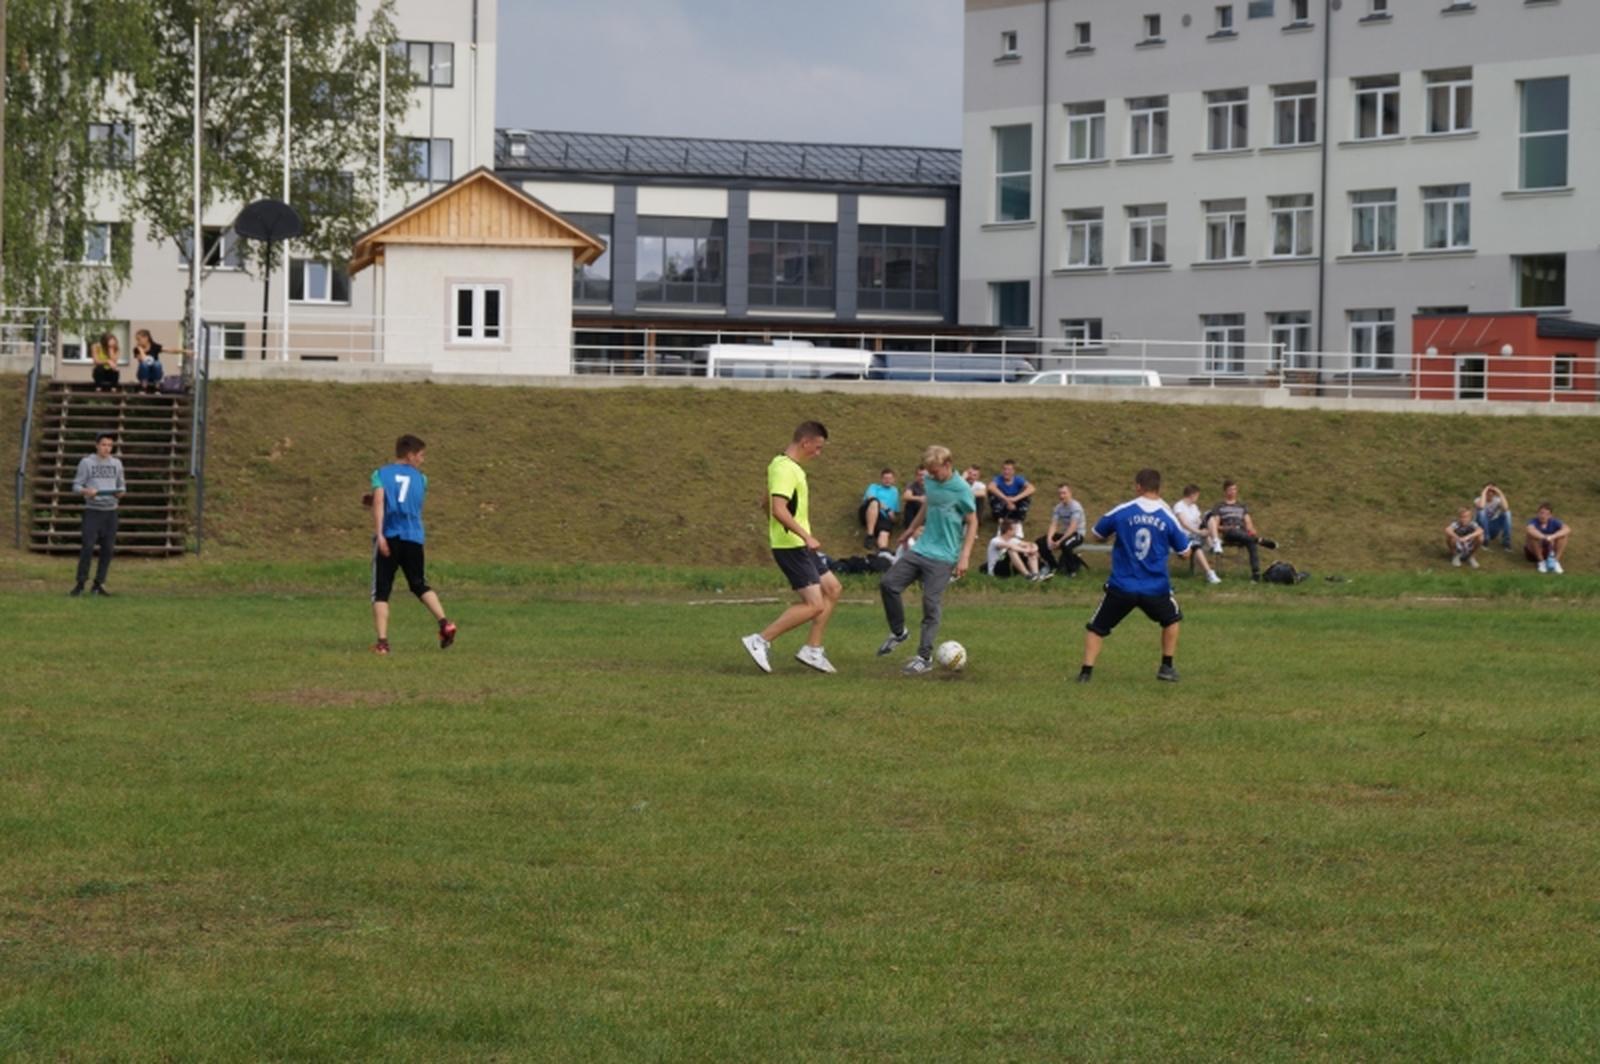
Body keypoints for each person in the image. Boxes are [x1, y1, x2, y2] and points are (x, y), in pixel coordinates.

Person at [742, 421, 842, 674]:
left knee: (832, 588)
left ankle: (812, 649)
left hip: (798, 544)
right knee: (814, 604)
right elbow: (778, 508)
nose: (818, 453)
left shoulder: (783, 466)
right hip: (792, 546)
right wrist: (805, 536)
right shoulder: (786, 469)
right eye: (817, 448)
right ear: (805, 442)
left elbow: (765, 502)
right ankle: (760, 640)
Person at [1077, 468, 1194, 684]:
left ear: (1138, 486)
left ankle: (1086, 673)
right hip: (1155, 587)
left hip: (1123, 585)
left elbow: (1096, 534)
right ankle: (1166, 667)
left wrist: (1112, 536)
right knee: (1172, 619)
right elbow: (1185, 553)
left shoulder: (1123, 510)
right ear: (1159, 488)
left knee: (1097, 627)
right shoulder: (1167, 515)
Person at [876, 445, 978, 675]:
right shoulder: (931, 482)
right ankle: (899, 632)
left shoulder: (962, 489)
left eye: (935, 471)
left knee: (930, 603)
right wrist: (910, 530)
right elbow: (927, 505)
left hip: (944, 556)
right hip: (922, 548)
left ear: (947, 465)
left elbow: (973, 522)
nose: (931, 476)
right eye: (929, 472)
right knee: (889, 584)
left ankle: (924, 657)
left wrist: (964, 556)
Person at [370, 434, 457, 654]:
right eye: (421, 455)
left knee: (381, 591)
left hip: (390, 536)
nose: (422, 460)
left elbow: (381, 501)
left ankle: (382, 643)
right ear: (410, 455)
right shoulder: (422, 479)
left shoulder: (381, 474)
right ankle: (445, 623)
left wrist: (380, 535)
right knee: (419, 584)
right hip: (414, 538)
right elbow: (406, 499)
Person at [70, 432, 125, 596]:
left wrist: (120, 493)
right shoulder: (86, 462)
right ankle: (80, 584)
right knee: (87, 546)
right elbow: (76, 486)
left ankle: (98, 584)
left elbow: (122, 486)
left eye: (110, 445)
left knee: (107, 549)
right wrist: (87, 491)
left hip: (111, 512)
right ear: (96, 445)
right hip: (93, 511)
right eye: (103, 445)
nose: (107, 448)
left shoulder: (117, 463)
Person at [1205, 478, 1277, 582]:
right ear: (1225, 491)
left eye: (1235, 489)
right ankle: (1259, 540)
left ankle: (1256, 574)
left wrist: (1252, 530)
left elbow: (1248, 522)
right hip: (1229, 532)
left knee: (1251, 542)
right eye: (1230, 490)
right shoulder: (1219, 506)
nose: (1233, 492)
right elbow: (1215, 526)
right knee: (1246, 537)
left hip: (1243, 532)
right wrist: (1226, 528)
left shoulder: (1242, 506)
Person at [1173, 484, 1222, 585]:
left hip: (1196, 533)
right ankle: (1209, 573)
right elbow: (1184, 524)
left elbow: (1199, 521)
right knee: (1196, 546)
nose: (1197, 498)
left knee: (1209, 515)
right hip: (1185, 535)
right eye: (1197, 496)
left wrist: (1206, 530)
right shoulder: (1179, 506)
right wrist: (1199, 532)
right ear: (1192, 495)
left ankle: (1215, 542)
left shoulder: (1194, 507)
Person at [1036, 483, 1087, 577]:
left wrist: (1059, 541)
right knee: (1040, 542)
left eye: (1064, 493)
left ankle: (1072, 571)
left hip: (1077, 534)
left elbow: (1073, 527)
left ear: (1070, 493)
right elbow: (1053, 525)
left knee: (1065, 545)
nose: (1061, 496)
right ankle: (1053, 565)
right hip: (1065, 534)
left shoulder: (1076, 507)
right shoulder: (1058, 508)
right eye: (1060, 493)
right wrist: (1049, 539)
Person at [859, 467, 900, 552]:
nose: (887, 480)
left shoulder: (895, 491)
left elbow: (895, 513)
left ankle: (883, 551)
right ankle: (870, 536)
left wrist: (893, 518)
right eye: (885, 478)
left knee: (885, 531)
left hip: (883, 518)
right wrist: (887, 509)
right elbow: (871, 497)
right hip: (868, 511)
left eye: (890, 478)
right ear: (881, 479)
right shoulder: (874, 487)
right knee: (875, 502)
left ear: (893, 480)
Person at [1525, 503, 1570, 574]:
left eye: (1547, 514)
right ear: (1538, 514)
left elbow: (1567, 529)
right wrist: (1544, 537)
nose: (1543, 516)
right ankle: (1541, 562)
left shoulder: (1554, 522)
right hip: (1534, 552)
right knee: (1532, 536)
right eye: (1541, 513)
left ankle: (1555, 561)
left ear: (1550, 516)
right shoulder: (1533, 521)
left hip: (1549, 550)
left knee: (1564, 536)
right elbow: (1530, 529)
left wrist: (1553, 536)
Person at [989, 460, 1036, 524]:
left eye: (1009, 470)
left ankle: (1018, 519)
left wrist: (1014, 499)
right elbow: (990, 487)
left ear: (1013, 471)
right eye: (1004, 469)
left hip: (1015, 502)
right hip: (1002, 502)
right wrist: (1006, 499)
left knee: (1027, 496)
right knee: (992, 493)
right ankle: (999, 518)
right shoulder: (999, 479)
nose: (1006, 472)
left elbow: (1032, 488)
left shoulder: (1018, 479)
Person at [1475, 483, 1514, 552]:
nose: (1490, 493)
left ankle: (1506, 542)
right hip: (1481, 529)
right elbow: (1481, 507)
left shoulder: (1497, 500)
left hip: (1493, 528)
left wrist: (1500, 493)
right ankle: (1485, 541)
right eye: (1488, 491)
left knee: (1507, 513)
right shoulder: (1478, 500)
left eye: (1492, 491)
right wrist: (1484, 491)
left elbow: (1506, 508)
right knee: (1481, 512)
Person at [900, 466, 927, 532]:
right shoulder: (912, 485)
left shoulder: (933, 485)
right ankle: (911, 527)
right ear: (916, 476)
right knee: (910, 504)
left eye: (924, 475)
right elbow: (905, 496)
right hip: (914, 512)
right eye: (920, 475)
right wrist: (919, 498)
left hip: (927, 512)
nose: (922, 477)